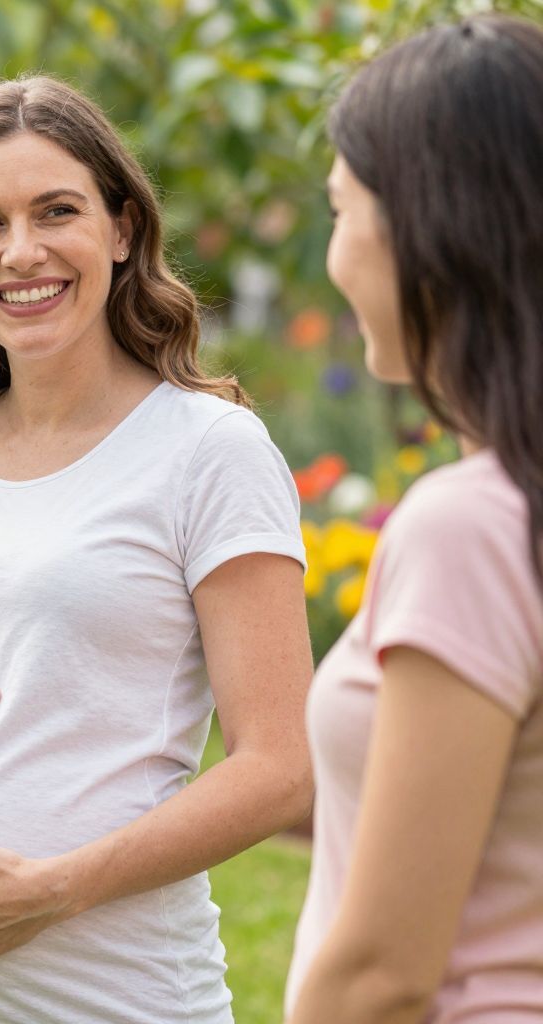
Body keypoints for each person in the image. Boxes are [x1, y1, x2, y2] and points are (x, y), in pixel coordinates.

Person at [0, 75, 314, 1024]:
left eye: (57, 212)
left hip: (101, 999)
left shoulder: (208, 451)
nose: (22, 252)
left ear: (122, 230)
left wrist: (51, 889)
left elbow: (281, 767)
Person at [286, 17, 543, 1023]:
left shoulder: (473, 528)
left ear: (425, 231)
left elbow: (386, 971)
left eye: (342, 210)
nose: (334, 248)